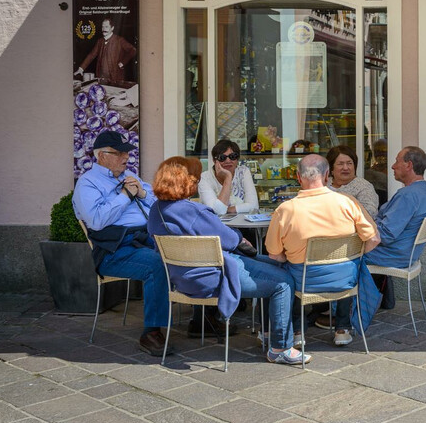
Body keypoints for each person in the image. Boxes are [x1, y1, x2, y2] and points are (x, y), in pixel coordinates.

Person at [146, 157, 308, 365]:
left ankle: (268, 333)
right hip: (215, 277)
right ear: (187, 181)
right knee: (283, 282)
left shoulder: (156, 211)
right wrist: (240, 238)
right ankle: (280, 348)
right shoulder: (194, 211)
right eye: (195, 178)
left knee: (274, 264)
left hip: (184, 278)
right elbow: (230, 239)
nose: (197, 183)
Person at [265, 155, 382, 347]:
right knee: (351, 264)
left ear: (298, 177)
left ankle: (297, 332)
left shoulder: (285, 210)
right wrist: (355, 258)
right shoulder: (348, 202)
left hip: (304, 281)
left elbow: (274, 255)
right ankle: (342, 330)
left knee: (285, 269)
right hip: (344, 279)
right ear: (327, 175)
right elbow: (374, 239)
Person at [72, 131, 168, 356]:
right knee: (157, 264)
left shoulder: (130, 175)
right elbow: (96, 221)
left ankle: (202, 317)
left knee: (186, 251)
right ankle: (151, 333)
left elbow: (157, 203)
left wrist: (142, 193)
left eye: (127, 152)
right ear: (102, 156)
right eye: (120, 153)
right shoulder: (87, 184)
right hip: (114, 249)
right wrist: (125, 195)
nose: (126, 157)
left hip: (146, 238)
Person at [363, 146, 426, 310]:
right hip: (407, 253)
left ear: (409, 165)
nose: (392, 166)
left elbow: (385, 235)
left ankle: (347, 313)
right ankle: (382, 299)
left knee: (345, 255)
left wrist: (359, 227)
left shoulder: (408, 195)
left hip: (393, 255)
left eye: (397, 161)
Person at [198, 139, 259, 216]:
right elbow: (218, 211)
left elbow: (254, 206)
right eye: (222, 157)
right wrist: (228, 177)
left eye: (232, 156)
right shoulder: (205, 178)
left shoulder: (243, 172)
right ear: (214, 160)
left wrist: (228, 209)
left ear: (237, 159)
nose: (228, 161)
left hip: (243, 222)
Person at [75, 18, 137, 84]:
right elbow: (91, 55)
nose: (104, 29)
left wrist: (123, 62)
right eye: (103, 27)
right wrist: (81, 69)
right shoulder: (100, 41)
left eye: (106, 27)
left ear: (112, 28)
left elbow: (133, 50)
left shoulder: (119, 40)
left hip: (116, 78)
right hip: (101, 78)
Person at [326, 145, 380, 219]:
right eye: (340, 164)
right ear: (331, 168)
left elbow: (369, 214)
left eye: (349, 163)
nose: (345, 168)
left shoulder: (364, 187)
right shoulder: (322, 183)